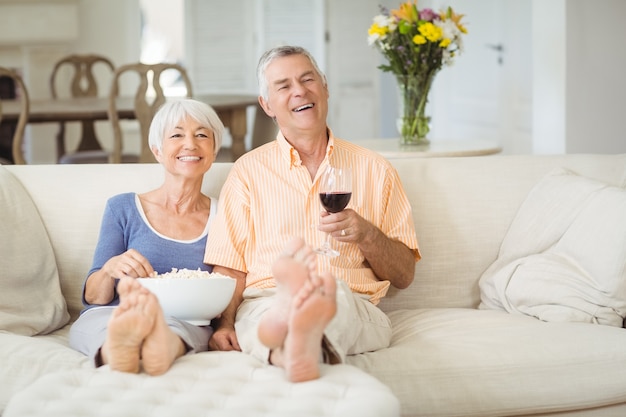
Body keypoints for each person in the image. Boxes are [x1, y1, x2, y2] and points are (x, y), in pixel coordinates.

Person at [204, 45, 421, 382]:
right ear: (267, 105)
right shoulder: (248, 172)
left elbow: (404, 275)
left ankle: (293, 336)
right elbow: (230, 266)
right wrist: (225, 324)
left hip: (350, 302)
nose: (300, 91)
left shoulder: (375, 170)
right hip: (265, 300)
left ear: (325, 88)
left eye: (308, 80)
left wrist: (367, 234)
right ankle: (297, 341)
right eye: (284, 86)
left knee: (330, 297)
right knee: (269, 316)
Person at [69, 98, 224, 375]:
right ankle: (118, 348)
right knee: (100, 325)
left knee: (178, 331)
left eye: (202, 135)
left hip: (184, 320)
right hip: (115, 313)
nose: (190, 144)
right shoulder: (122, 207)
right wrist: (110, 269)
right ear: (157, 150)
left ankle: (155, 348)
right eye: (176, 135)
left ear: (213, 151)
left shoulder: (224, 215)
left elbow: (226, 287)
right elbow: (94, 297)